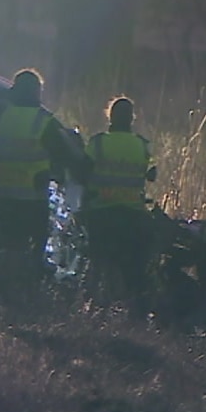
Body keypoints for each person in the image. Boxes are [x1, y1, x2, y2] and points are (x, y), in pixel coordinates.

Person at [0, 68, 89, 291]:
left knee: (10, 245)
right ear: (36, 92)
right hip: (32, 195)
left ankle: (3, 288)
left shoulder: (4, 117)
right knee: (34, 247)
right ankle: (28, 292)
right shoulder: (43, 121)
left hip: (5, 192)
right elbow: (67, 154)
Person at [81, 96, 157, 311]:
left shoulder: (97, 143)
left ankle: (95, 308)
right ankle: (133, 310)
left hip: (101, 213)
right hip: (132, 214)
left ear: (110, 116)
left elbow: (82, 171)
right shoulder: (142, 146)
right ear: (132, 118)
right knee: (132, 267)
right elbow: (152, 174)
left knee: (99, 264)